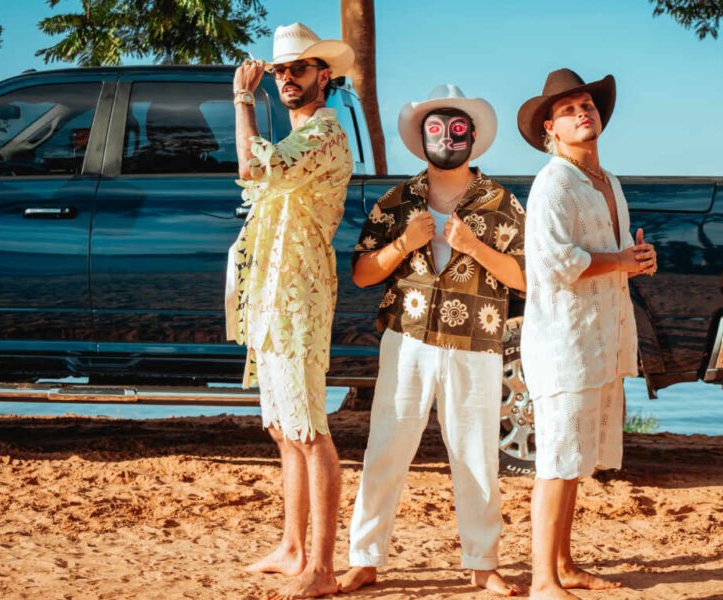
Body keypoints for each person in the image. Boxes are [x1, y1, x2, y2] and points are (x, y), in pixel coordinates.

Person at [337, 84, 525, 596]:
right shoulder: (397, 202)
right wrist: (405, 242)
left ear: (472, 136)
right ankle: (365, 558)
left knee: (477, 454)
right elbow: (362, 274)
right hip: (409, 339)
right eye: (436, 129)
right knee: (386, 448)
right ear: (422, 138)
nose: (447, 137)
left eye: (456, 128)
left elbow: (526, 278)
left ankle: (483, 563)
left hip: (476, 342)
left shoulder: (502, 203)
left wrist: (474, 246)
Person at [516, 68, 657, 599]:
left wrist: (636, 260)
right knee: (557, 462)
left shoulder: (607, 181)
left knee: (575, 461)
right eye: (569, 110)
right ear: (550, 128)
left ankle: (565, 564)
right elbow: (555, 264)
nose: (583, 113)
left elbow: (611, 257)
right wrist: (620, 260)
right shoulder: (553, 183)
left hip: (601, 338)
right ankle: (542, 580)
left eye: (588, 105)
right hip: (564, 343)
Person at [225, 22, 354, 599]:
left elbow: (254, 169)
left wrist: (242, 99)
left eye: (297, 69)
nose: (286, 79)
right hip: (273, 294)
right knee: (282, 428)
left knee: (308, 429)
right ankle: (292, 548)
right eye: (280, 71)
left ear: (323, 75)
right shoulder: (299, 138)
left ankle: (321, 566)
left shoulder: (325, 132)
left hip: (299, 295)